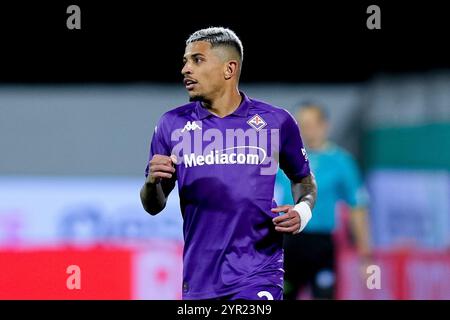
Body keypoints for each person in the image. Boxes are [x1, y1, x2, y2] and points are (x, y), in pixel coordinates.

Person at [140, 27, 317, 300]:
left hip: (259, 272)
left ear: (229, 69)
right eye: (185, 61)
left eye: (197, 60)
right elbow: (154, 205)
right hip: (199, 279)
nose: (186, 69)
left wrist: (303, 211)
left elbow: (303, 179)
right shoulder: (171, 124)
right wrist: (152, 182)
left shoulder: (276, 121)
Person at [277, 102, 372, 300]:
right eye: (301, 125)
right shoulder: (282, 158)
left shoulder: (341, 161)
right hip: (289, 243)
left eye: (310, 124)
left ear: (324, 125)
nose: (305, 130)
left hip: (321, 244)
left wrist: (366, 256)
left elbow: (357, 208)